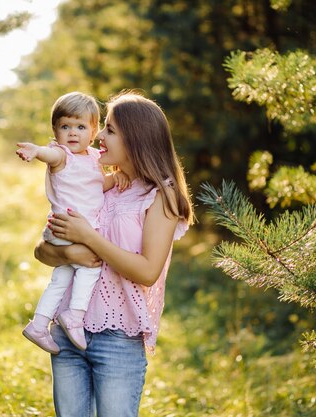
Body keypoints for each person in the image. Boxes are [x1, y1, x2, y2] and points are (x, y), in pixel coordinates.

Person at [34, 90, 194, 417]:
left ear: (135, 139)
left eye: (109, 129)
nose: (99, 136)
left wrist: (89, 238)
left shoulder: (160, 195)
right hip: (67, 332)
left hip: (117, 339)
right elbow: (42, 251)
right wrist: (73, 255)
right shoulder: (96, 184)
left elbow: (148, 270)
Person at [16, 92, 129, 354]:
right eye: (65, 127)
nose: (72, 133)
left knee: (61, 277)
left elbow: (96, 186)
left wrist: (118, 178)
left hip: (69, 230)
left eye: (80, 127)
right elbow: (50, 156)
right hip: (67, 228)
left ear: (93, 131)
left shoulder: (91, 158)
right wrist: (37, 151)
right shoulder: (61, 154)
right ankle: (74, 316)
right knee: (90, 268)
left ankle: (39, 324)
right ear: (55, 131)